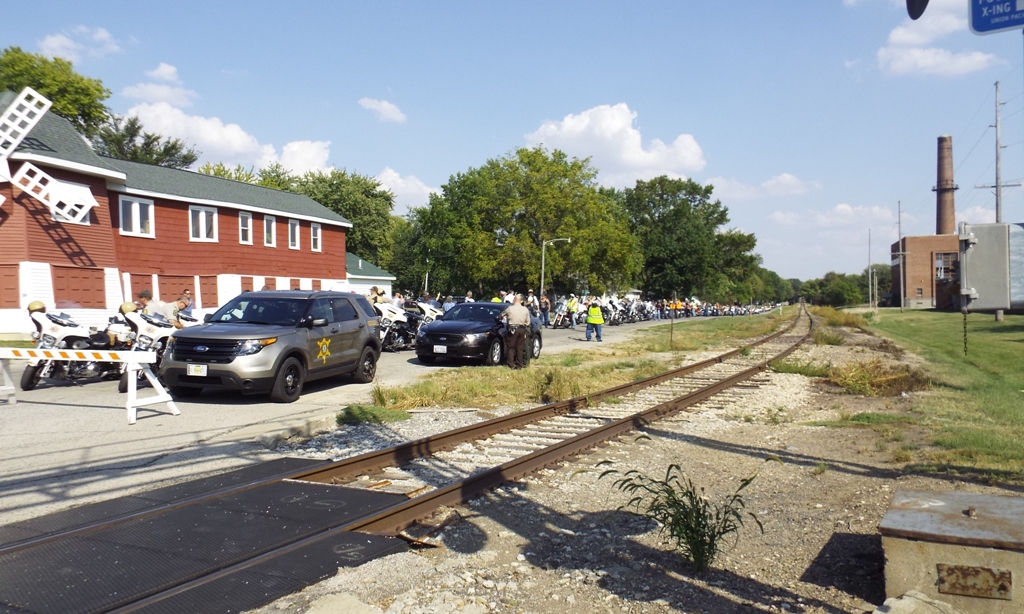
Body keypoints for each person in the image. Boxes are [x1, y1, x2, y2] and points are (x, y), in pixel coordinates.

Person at [500, 294, 531, 369]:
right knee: (520, 348)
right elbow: (528, 322)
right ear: (521, 301)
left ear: (514, 300)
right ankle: (519, 365)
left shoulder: (510, 308)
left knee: (511, 347)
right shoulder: (525, 309)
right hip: (522, 329)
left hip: (513, 329)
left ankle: (511, 364)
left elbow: (501, 315)